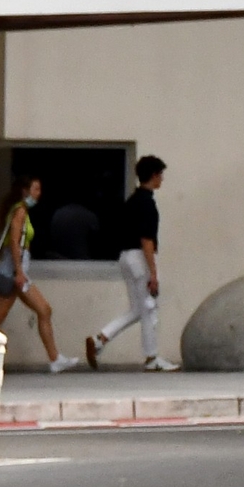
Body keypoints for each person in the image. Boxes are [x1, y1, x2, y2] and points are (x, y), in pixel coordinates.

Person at [0, 175, 82, 373]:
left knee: (43, 310)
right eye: (36, 189)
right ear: (25, 191)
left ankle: (55, 358)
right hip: (15, 272)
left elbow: (3, 245)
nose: (38, 194)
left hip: (15, 270)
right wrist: (19, 272)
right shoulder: (20, 212)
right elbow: (14, 243)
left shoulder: (18, 211)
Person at [86, 156, 177, 372]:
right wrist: (153, 274)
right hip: (139, 258)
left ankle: (100, 339)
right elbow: (147, 240)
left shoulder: (132, 201)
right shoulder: (147, 204)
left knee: (137, 309)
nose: (162, 179)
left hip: (125, 257)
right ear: (154, 175)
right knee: (149, 308)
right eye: (160, 175)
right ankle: (151, 357)